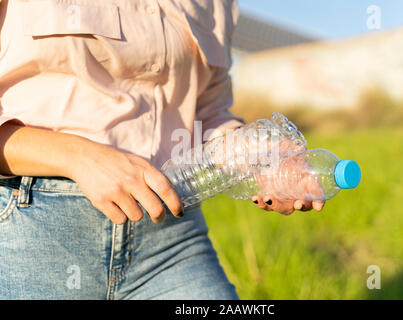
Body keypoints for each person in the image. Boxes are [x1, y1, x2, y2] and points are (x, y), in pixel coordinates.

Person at [0, 0, 324, 299]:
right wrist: (77, 156)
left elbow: (209, 114)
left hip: (172, 234)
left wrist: (258, 160)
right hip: (34, 229)